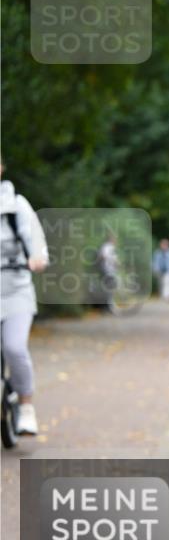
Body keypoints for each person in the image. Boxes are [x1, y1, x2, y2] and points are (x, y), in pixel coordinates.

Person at [0, 170, 49, 436]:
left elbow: (36, 240)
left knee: (14, 347)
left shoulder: (15, 204)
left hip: (15, 291)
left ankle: (26, 406)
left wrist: (37, 258)